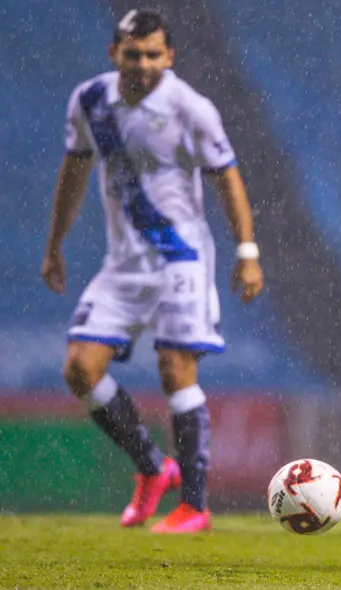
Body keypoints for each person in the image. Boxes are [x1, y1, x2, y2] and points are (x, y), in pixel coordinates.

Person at [40, 9, 263, 534]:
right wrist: (55, 244)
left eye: (152, 54)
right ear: (113, 52)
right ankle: (151, 467)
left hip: (180, 257)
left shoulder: (191, 109)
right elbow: (73, 171)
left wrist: (247, 250)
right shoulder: (89, 101)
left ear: (169, 56)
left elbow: (227, 179)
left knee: (175, 372)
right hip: (123, 264)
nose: (142, 63)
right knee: (79, 368)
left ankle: (194, 505)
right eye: (132, 53)